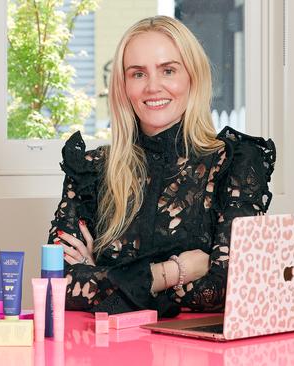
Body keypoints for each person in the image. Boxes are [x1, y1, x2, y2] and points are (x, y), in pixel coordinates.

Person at [48, 16, 276, 317]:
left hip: (198, 355)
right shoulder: (91, 170)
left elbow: (229, 287)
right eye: (138, 74)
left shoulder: (234, 163)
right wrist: (172, 272)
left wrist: (101, 275)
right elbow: (58, 285)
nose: (153, 87)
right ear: (124, 85)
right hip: (105, 350)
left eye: (168, 70)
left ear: (192, 77)